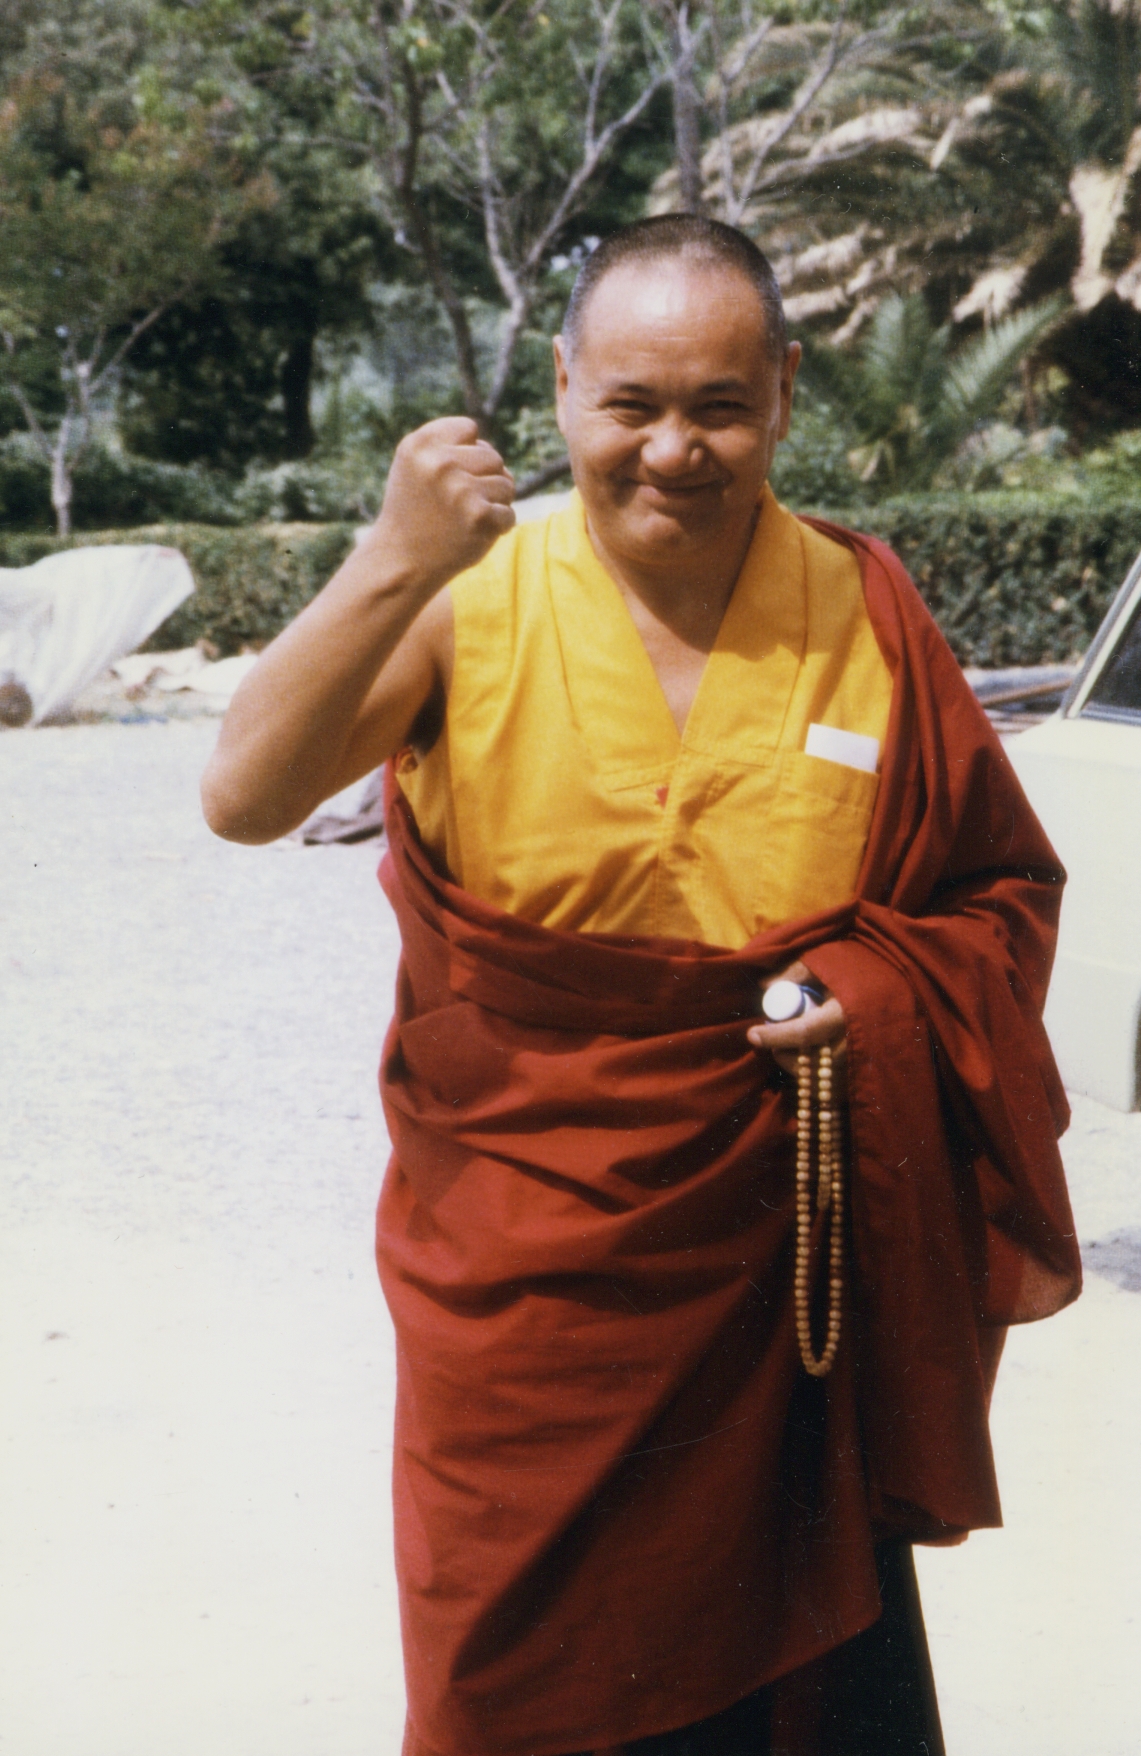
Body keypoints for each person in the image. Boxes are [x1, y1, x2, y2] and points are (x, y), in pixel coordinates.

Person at [202, 216, 1081, 1756]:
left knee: (797, 1690)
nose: (672, 449)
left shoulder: (867, 613)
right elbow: (242, 795)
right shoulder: (468, 595)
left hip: (785, 1270)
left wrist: (867, 991)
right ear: (559, 393)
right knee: (519, 1683)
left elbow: (996, 891)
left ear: (785, 397)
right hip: (527, 1275)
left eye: (718, 407)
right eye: (629, 405)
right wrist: (395, 553)